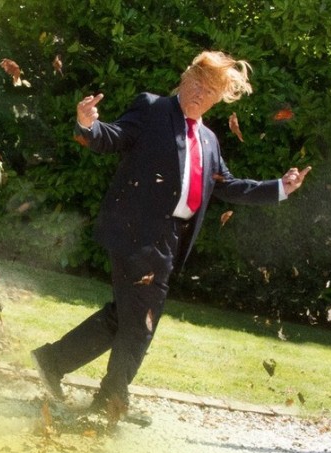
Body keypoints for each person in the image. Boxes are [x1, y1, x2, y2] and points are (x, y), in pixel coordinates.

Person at [31, 51, 310, 425]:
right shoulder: (152, 109)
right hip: (136, 232)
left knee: (126, 317)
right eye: (196, 81)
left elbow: (227, 186)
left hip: (169, 240)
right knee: (143, 318)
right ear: (184, 77)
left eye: (210, 90)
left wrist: (280, 188)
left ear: (218, 99)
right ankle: (112, 397)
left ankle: (52, 362)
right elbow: (113, 137)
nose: (199, 92)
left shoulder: (209, 140)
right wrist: (87, 125)